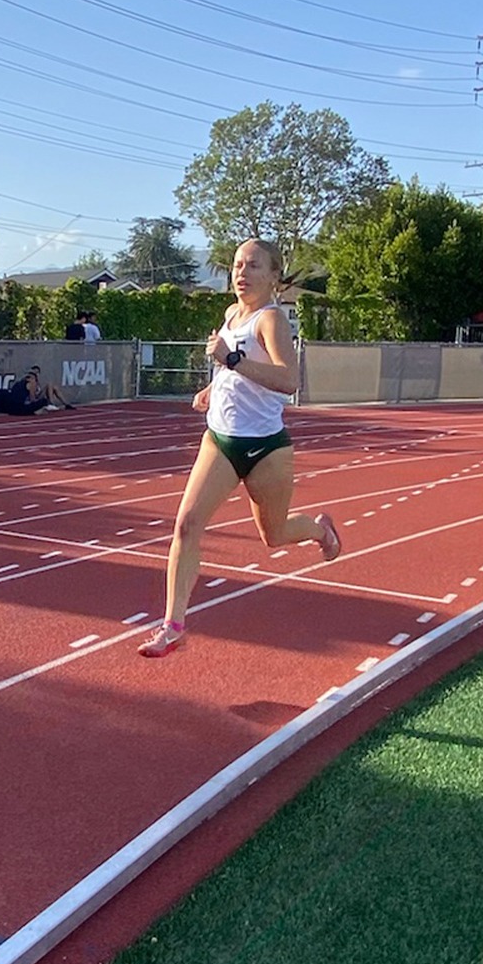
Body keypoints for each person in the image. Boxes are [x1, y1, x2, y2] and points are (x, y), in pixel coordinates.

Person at [138, 239, 342, 658]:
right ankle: (173, 625)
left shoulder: (271, 321)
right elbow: (234, 370)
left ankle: (322, 531)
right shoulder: (231, 314)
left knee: (274, 535)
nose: (241, 273)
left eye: (253, 266)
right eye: (236, 265)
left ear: (274, 277)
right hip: (220, 439)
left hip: (267, 447)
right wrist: (213, 387)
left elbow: (289, 382)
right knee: (186, 525)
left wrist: (230, 361)